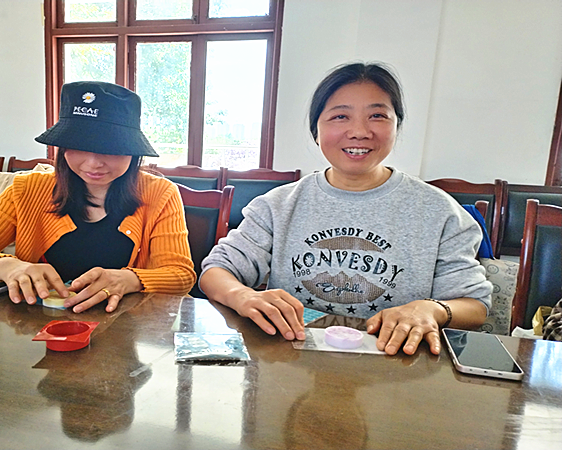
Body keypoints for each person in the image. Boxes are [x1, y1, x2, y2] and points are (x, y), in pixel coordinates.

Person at [199, 62, 492, 356]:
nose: (359, 132)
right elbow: (216, 272)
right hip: (291, 364)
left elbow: (475, 306)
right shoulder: (277, 205)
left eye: (377, 116)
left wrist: (431, 309)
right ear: (316, 130)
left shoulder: (440, 212)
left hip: (396, 367)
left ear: (396, 127)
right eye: (340, 116)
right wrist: (242, 295)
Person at [0, 81, 195, 313]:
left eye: (111, 149)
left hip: (122, 326)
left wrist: (129, 280)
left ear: (133, 152)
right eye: (79, 147)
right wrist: (10, 267)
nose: (93, 163)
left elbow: (180, 275)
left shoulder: (159, 194)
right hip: (38, 324)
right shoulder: (27, 190)